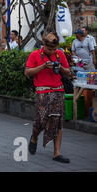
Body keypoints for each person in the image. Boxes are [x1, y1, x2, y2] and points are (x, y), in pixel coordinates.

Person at [25, 32, 71, 163]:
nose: (52, 52)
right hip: (42, 92)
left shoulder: (60, 54)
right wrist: (43, 66)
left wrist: (60, 67)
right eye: (49, 49)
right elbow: (27, 72)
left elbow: (68, 72)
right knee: (40, 120)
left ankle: (57, 153)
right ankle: (34, 138)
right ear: (43, 45)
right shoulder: (35, 55)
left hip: (58, 91)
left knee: (58, 121)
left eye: (54, 49)